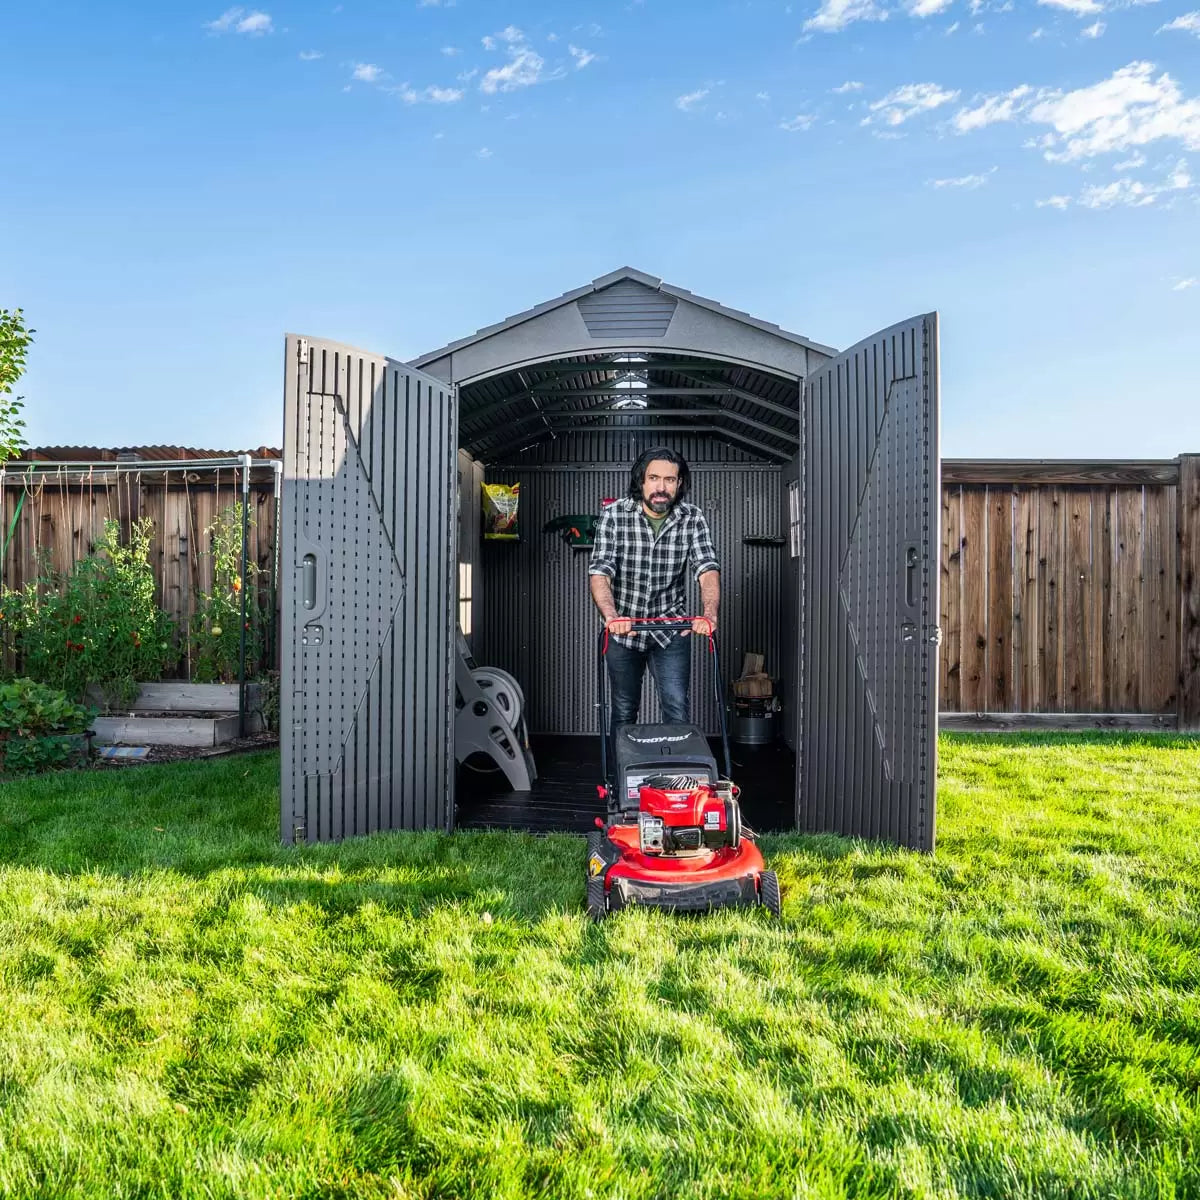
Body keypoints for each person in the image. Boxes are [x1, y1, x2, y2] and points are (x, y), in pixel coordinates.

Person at [588, 446, 720, 733]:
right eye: (654, 478)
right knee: (624, 708)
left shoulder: (692, 517)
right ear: (641, 481)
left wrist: (709, 614)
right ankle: (619, 777)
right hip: (625, 631)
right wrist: (612, 617)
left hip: (671, 629)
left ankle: (676, 777)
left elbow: (706, 568)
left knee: (676, 706)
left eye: (670, 480)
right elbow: (600, 571)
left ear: (679, 483)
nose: (661, 487)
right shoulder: (614, 515)